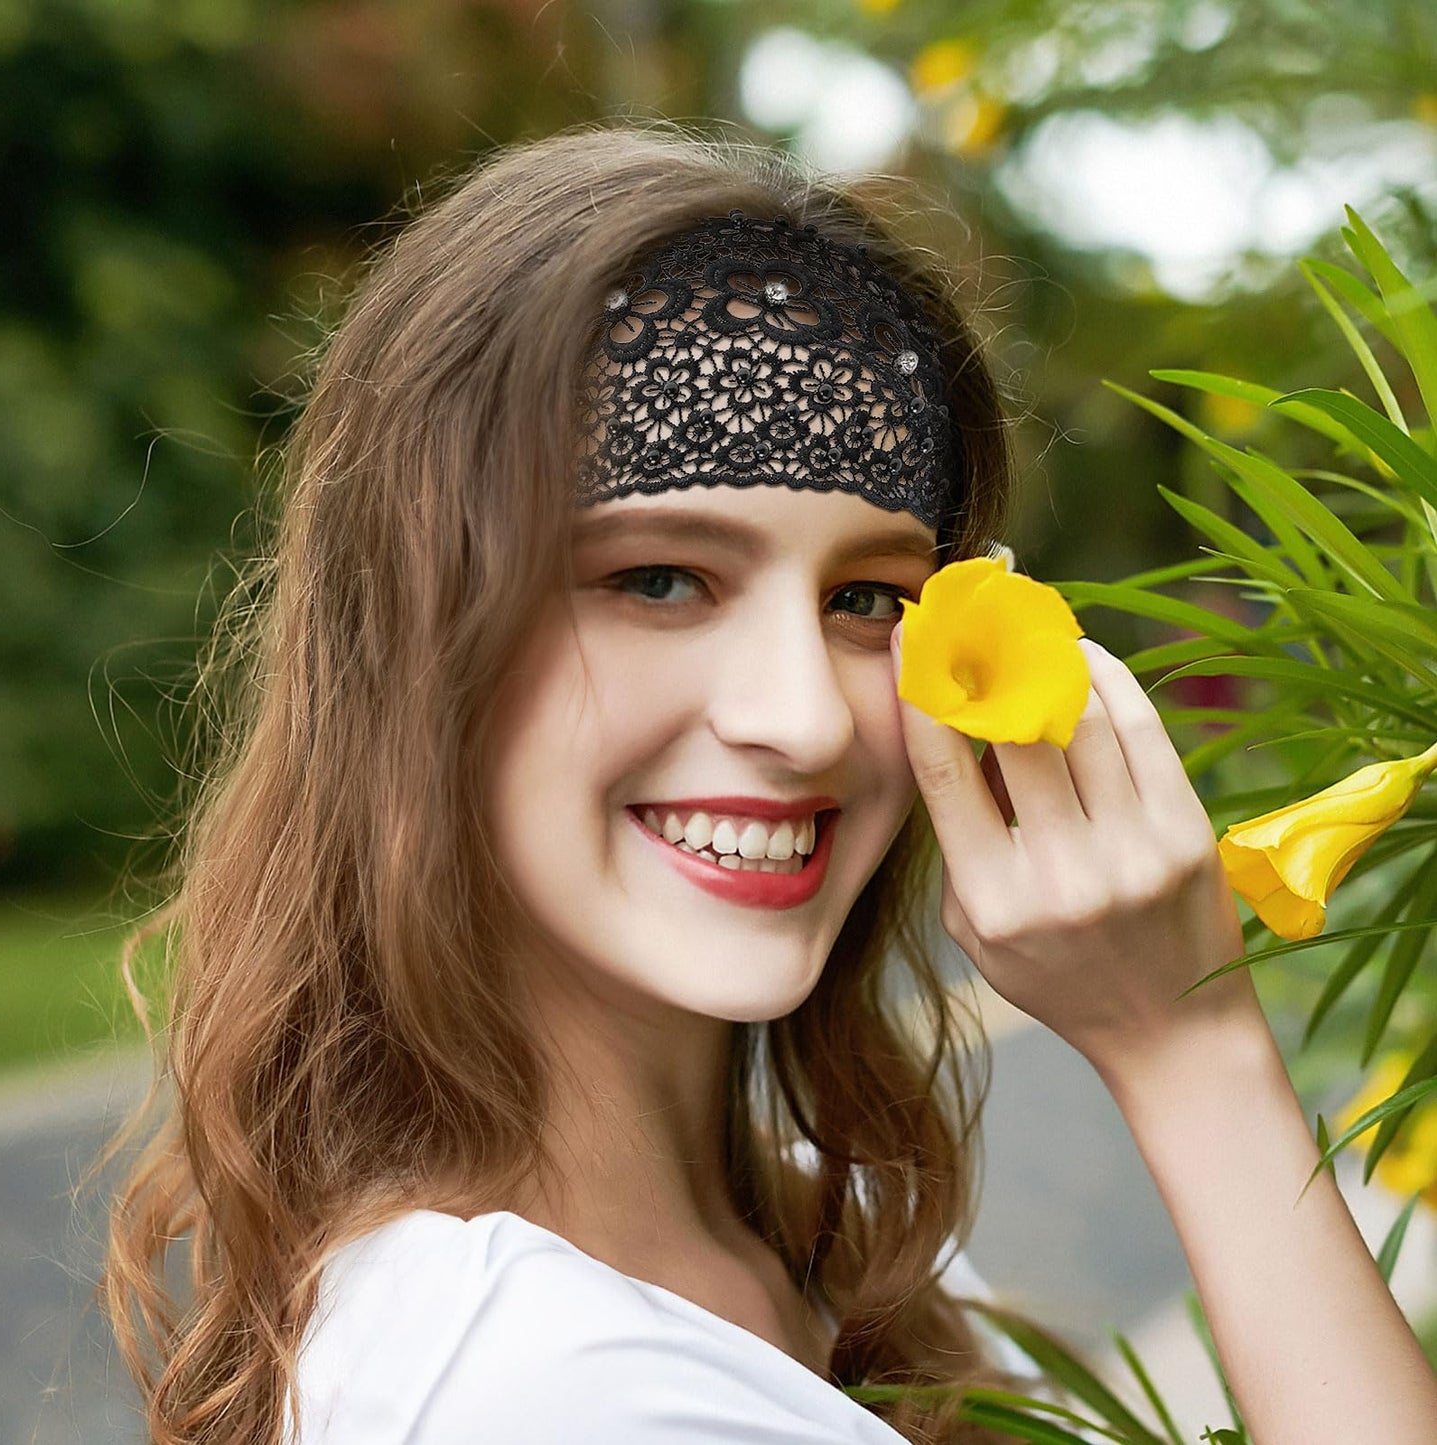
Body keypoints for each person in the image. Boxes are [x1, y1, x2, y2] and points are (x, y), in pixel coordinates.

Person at [103, 126, 1437, 1445]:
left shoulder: (804, 1231)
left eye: (866, 597)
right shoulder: (544, 1384)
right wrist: (1189, 1052)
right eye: (658, 578)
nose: (801, 717)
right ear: (409, 634)